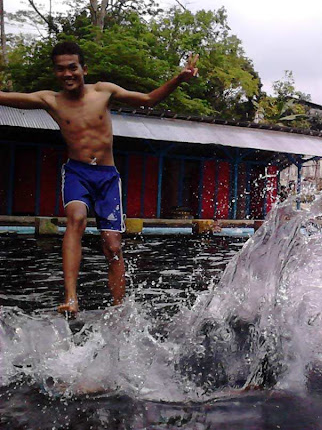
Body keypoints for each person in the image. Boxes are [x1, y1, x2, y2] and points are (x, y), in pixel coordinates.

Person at [0, 41, 199, 316]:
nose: (68, 74)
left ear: (84, 68)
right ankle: (71, 298)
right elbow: (6, 97)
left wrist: (179, 78)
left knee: (113, 246)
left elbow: (149, 99)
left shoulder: (104, 91)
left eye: (73, 67)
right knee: (76, 218)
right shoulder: (50, 100)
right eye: (61, 69)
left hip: (107, 177)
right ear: (55, 72)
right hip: (77, 173)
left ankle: (119, 308)